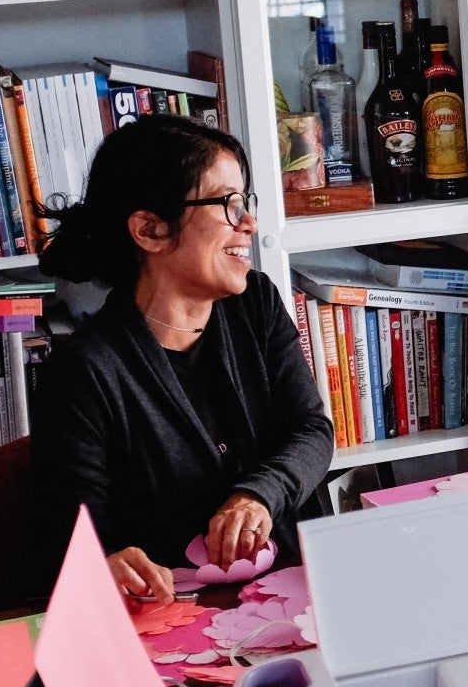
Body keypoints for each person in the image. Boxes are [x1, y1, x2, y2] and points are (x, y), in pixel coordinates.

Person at [32, 117, 333, 604]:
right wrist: (109, 563)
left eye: (245, 201)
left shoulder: (255, 302)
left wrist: (257, 493)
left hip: (296, 590)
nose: (250, 224)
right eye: (227, 205)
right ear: (150, 231)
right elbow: (75, 542)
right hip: (175, 617)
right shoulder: (85, 372)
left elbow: (310, 430)